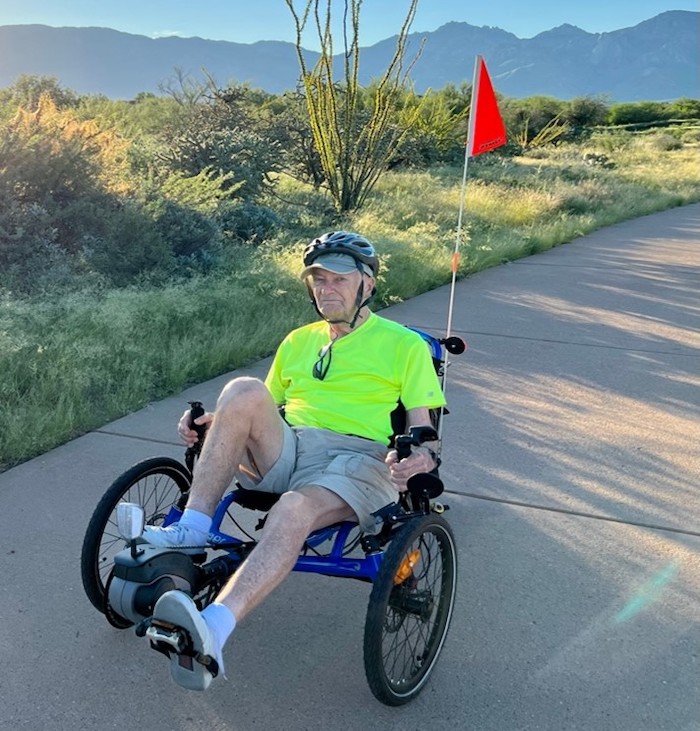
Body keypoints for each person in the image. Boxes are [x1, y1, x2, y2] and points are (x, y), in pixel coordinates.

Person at [143, 231, 447, 691]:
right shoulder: (297, 341)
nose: (327, 289)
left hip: (356, 458)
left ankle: (215, 627)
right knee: (243, 389)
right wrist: (215, 425)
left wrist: (420, 459)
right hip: (291, 447)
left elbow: (425, 432)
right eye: (318, 279)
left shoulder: (403, 345)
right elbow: (267, 411)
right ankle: (193, 527)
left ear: (367, 282)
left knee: (292, 510)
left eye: (339, 279)